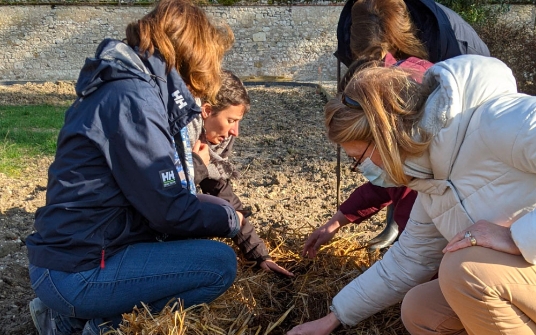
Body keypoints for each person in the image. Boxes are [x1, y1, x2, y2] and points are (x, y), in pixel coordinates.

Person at [25, 1, 242, 334]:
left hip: (71, 260)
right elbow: (170, 211)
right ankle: (103, 326)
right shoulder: (133, 100)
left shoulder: (125, 87)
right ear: (192, 55)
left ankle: (66, 317)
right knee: (218, 265)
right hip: (80, 271)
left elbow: (159, 195)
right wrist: (230, 220)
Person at [288, 55, 536, 334]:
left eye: (359, 159)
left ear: (385, 137)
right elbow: (408, 261)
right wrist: (332, 318)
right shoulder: (432, 183)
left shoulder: (498, 120)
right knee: (421, 309)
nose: (361, 170)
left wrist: (518, 237)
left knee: (464, 270)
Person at [316, 0, 491, 251]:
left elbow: (415, 255)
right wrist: (337, 220)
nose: (360, 167)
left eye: (357, 158)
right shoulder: (398, 147)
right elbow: (386, 180)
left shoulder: (432, 101)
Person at [188, 70, 293, 277]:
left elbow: (221, 192)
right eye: (230, 121)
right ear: (207, 110)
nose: (236, 132)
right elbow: (165, 196)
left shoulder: (212, 144)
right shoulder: (177, 136)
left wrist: (259, 255)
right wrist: (197, 165)